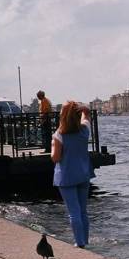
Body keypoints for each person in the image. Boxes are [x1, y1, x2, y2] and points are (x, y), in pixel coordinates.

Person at [51, 101, 93, 248]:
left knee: (73, 212)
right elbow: (87, 114)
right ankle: (85, 241)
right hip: (83, 174)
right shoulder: (84, 130)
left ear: (62, 116)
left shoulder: (59, 135)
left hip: (66, 176)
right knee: (83, 211)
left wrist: (52, 146)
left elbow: (55, 158)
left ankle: (79, 243)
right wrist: (84, 109)